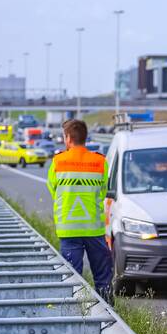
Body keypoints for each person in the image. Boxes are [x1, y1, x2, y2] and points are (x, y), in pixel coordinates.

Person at [48, 119, 114, 300]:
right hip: (94, 229)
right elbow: (102, 192)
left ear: (68, 138)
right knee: (103, 278)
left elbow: (54, 191)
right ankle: (108, 315)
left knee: (73, 279)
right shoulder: (100, 162)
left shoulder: (58, 161)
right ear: (85, 138)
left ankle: (76, 315)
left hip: (68, 229)